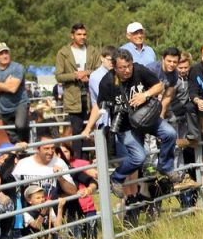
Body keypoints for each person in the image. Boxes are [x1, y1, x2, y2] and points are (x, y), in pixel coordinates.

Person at [80, 49, 180, 198]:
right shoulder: (107, 82)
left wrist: (145, 95)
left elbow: (159, 86)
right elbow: (98, 106)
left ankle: (165, 167)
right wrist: (88, 128)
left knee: (170, 133)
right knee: (138, 157)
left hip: (147, 117)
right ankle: (116, 178)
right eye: (122, 67)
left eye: (129, 66)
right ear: (114, 67)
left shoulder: (139, 70)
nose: (127, 70)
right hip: (125, 126)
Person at [54, 23, 101, 158]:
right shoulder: (63, 53)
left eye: (84, 34)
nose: (82, 37)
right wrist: (75, 75)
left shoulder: (93, 51)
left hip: (91, 95)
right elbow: (59, 76)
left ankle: (91, 159)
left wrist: (88, 73)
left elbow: (99, 69)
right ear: (72, 35)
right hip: (73, 97)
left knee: (92, 128)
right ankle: (79, 161)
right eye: (79, 34)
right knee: (77, 130)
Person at [0, 42, 29, 145]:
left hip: (20, 103)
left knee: (20, 125)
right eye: (1, 53)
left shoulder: (17, 67)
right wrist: (5, 84)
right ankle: (17, 152)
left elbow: (13, 88)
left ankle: (27, 146)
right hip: (4, 107)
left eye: (6, 52)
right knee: (11, 135)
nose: (5, 55)